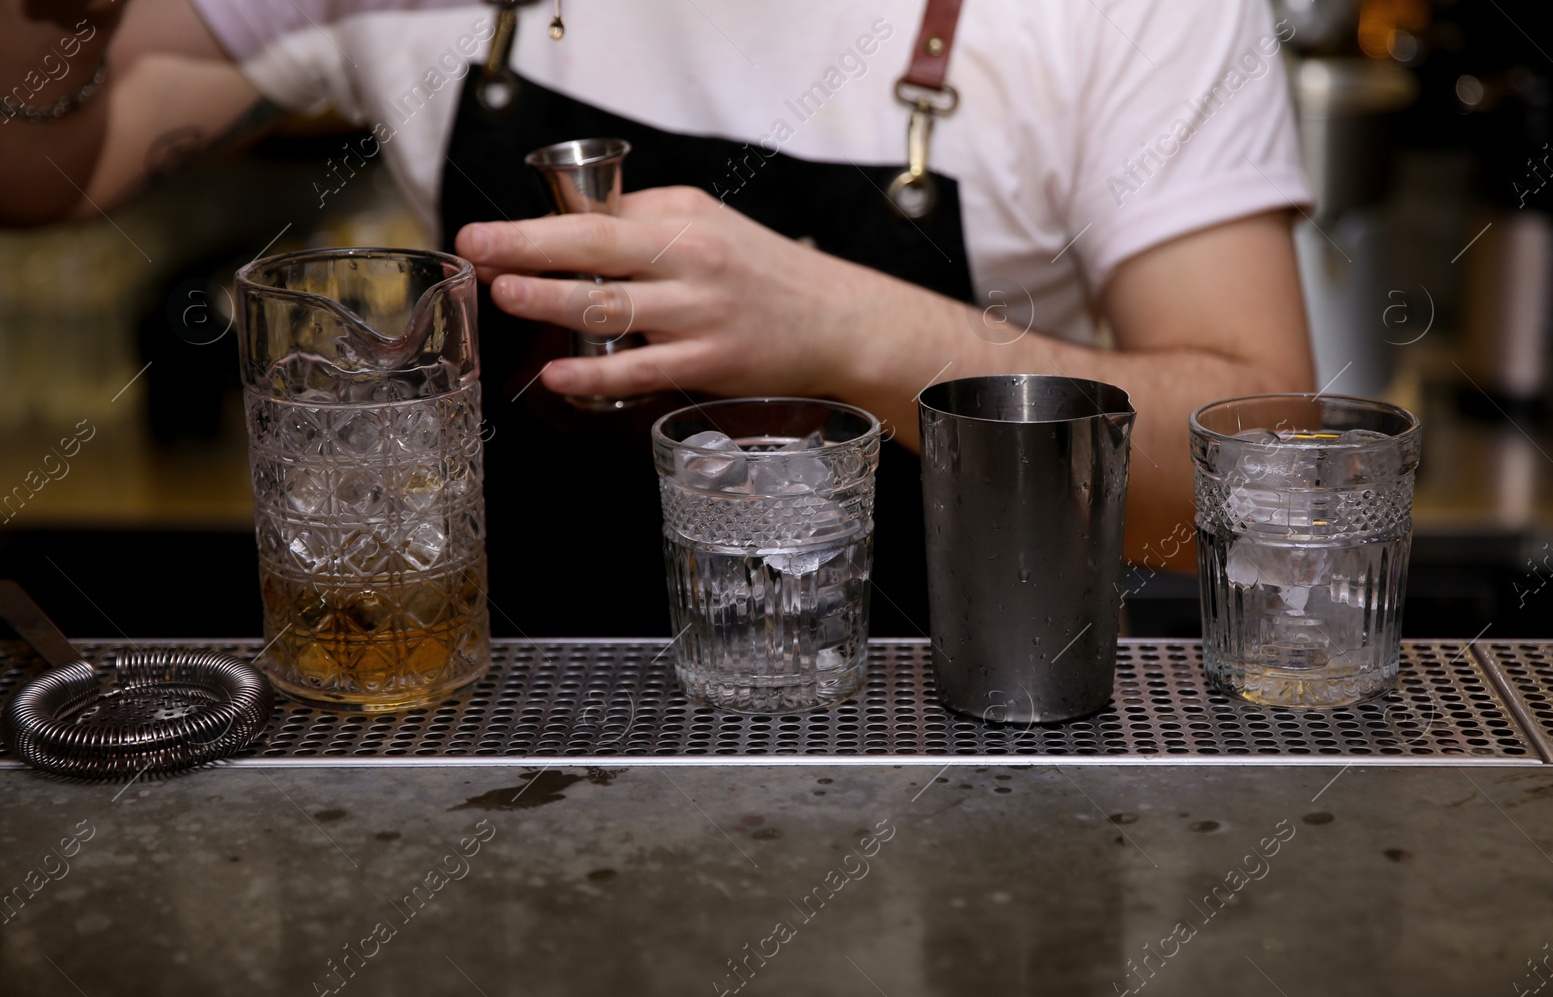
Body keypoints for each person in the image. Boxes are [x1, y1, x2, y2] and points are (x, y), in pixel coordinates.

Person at [1, 0, 1315, 636]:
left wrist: (853, 333)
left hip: (952, 767)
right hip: (497, 762)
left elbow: (1255, 499)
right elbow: (42, 173)